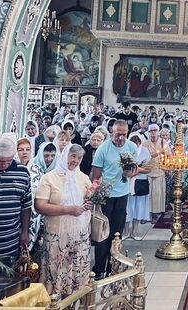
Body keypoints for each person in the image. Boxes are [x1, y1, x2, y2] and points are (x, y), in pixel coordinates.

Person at [35, 144, 93, 296]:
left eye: (79, 158)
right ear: (64, 156)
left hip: (80, 236)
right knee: (56, 273)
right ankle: (54, 302)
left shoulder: (83, 178)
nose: (76, 161)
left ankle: (73, 301)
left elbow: (90, 199)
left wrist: (90, 203)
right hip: (57, 237)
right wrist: (68, 210)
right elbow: (40, 206)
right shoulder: (49, 178)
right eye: (73, 156)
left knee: (76, 273)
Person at [91, 120, 140, 278]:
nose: (121, 138)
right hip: (106, 196)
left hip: (122, 195)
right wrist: (94, 195)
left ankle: (113, 266)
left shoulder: (131, 147)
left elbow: (135, 169)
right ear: (112, 132)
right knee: (103, 233)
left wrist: (130, 173)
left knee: (117, 232)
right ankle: (99, 268)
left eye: (124, 134)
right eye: (118, 134)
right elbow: (96, 175)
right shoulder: (103, 149)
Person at [28, 142, 58, 249]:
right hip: (34, 214)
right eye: (46, 156)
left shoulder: (57, 170)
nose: (49, 159)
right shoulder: (34, 169)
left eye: (53, 156)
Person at [124, 133, 151, 240]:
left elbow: (149, 168)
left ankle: (134, 231)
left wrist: (138, 170)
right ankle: (125, 231)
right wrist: (129, 172)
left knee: (138, 207)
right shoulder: (125, 151)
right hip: (127, 182)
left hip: (140, 182)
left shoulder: (145, 151)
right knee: (127, 207)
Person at [143, 125, 170, 223]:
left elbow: (169, 155)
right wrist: (158, 153)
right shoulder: (145, 143)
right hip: (148, 171)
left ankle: (156, 213)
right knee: (148, 194)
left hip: (159, 170)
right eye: (151, 131)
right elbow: (144, 157)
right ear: (148, 133)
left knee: (157, 193)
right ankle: (146, 214)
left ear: (158, 132)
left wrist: (168, 166)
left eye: (155, 131)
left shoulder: (163, 142)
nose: (153, 133)